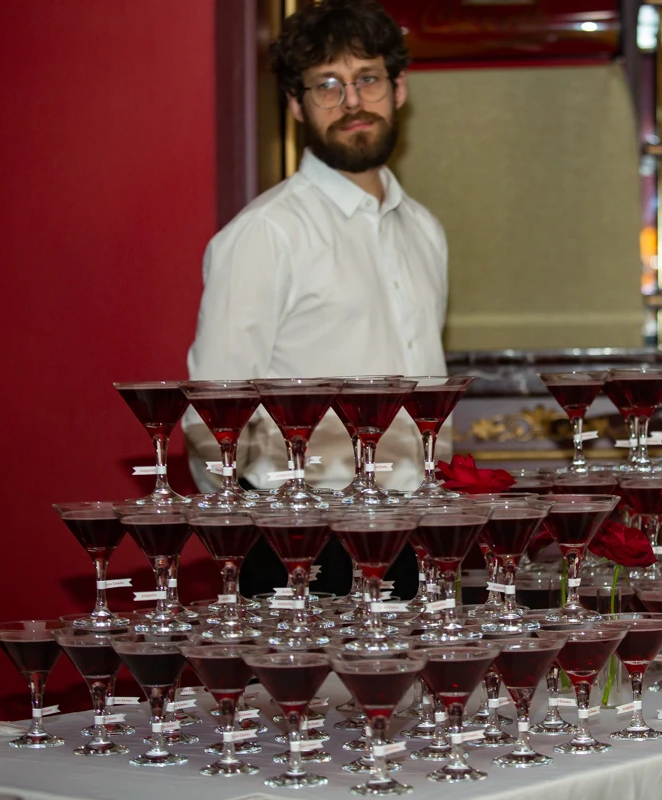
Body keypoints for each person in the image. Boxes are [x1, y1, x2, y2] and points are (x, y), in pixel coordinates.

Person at [184, 0, 451, 594]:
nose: (352, 102)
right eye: (327, 85)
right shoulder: (266, 234)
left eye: (368, 79)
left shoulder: (425, 231)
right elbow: (210, 421)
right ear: (296, 104)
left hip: (418, 532)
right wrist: (254, 551)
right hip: (300, 543)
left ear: (399, 88)